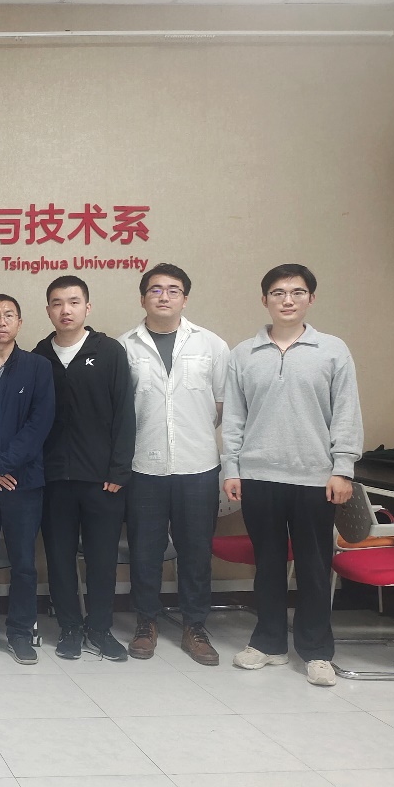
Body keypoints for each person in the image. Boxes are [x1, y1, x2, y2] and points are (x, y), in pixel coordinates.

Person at [222, 263, 363, 687]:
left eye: (297, 292)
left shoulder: (332, 350)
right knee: (267, 564)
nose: (288, 300)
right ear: (264, 299)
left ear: (311, 299)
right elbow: (234, 418)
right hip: (259, 475)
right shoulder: (243, 354)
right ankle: (268, 643)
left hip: (316, 478)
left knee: (314, 567)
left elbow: (346, 413)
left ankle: (317, 652)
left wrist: (343, 468)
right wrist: (232, 467)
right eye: (278, 293)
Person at [119, 264, 230, 666]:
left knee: (196, 551)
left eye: (173, 290)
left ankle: (195, 626)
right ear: (142, 298)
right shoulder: (124, 347)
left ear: (185, 298)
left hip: (197, 467)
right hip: (143, 467)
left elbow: (222, 406)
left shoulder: (212, 345)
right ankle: (145, 623)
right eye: (155, 290)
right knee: (145, 551)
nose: (163, 296)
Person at [32, 275, 135, 663]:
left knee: (102, 559)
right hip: (53, 479)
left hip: (102, 480)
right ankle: (70, 628)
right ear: (48, 310)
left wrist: (119, 471)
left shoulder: (109, 352)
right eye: (57, 303)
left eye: (74, 302)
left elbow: (125, 414)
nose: (66, 310)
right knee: (58, 559)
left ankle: (100, 629)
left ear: (87, 307)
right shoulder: (39, 356)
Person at [0, 294, 54, 665]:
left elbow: (40, 422)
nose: (1, 322)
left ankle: (19, 632)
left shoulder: (38, 367)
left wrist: (2, 464)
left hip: (23, 481)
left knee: (24, 563)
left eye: (9, 315)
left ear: (19, 322)